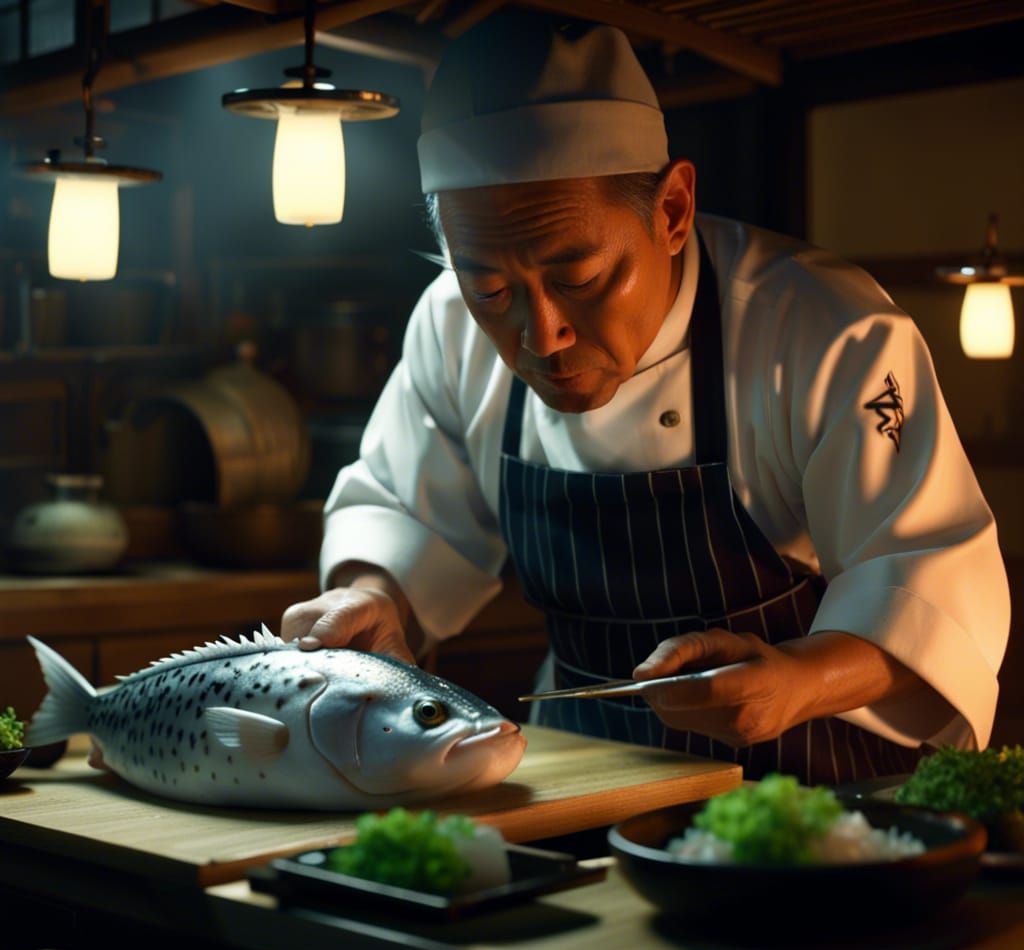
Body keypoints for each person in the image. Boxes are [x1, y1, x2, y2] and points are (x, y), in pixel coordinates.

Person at [280, 11, 1010, 784]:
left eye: (580, 279)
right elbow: (404, 510)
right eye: (491, 288)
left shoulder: (821, 328)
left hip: (812, 791)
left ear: (671, 211)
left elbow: (928, 582)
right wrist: (373, 597)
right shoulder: (450, 323)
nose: (543, 334)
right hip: (579, 779)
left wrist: (798, 681)